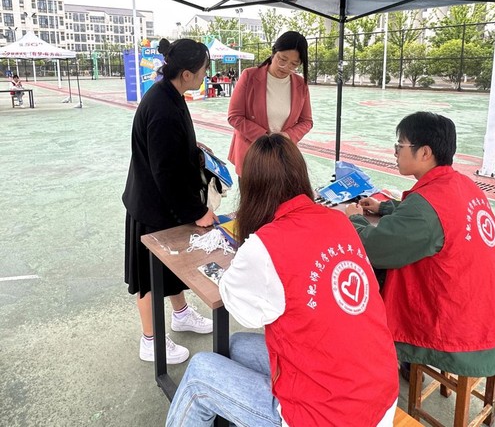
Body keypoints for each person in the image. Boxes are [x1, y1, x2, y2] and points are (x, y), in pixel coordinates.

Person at [166, 134, 399, 427]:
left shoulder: (265, 245)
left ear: (252, 188)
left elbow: (242, 309)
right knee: (234, 346)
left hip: (330, 417)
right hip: (378, 393)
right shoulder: (339, 221)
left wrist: (248, 254)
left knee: (199, 373)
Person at [344, 111, 495, 379]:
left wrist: (354, 220)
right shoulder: (461, 184)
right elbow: (433, 219)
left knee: (367, 278)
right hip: (488, 307)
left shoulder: (425, 207)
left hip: (456, 321)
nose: (395, 153)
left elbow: (376, 248)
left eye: (400, 146)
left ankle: (378, 362)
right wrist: (386, 208)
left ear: (425, 152)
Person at [122, 38, 218, 365]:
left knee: (171, 265)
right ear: (187, 74)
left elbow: (169, 150)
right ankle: (150, 340)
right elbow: (165, 172)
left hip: (160, 203)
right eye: (204, 69)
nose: (206, 75)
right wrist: (198, 211)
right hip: (151, 206)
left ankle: (181, 314)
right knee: (148, 278)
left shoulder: (169, 93)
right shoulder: (163, 107)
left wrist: (193, 149)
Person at [227, 31, 313, 178]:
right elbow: (234, 117)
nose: (285, 67)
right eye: (282, 59)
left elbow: (306, 121)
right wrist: (267, 138)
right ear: (273, 53)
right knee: (252, 193)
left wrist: (287, 136)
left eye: (294, 64)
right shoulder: (249, 76)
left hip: (282, 156)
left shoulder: (301, 84)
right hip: (252, 153)